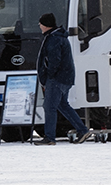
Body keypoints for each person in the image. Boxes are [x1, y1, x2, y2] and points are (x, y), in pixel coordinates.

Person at [35, 10, 90, 144]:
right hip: (65, 77)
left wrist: (49, 76)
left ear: (46, 25)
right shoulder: (58, 37)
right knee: (62, 105)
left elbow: (54, 60)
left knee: (49, 107)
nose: (39, 25)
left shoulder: (53, 39)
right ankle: (82, 130)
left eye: (41, 23)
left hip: (57, 79)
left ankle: (49, 137)